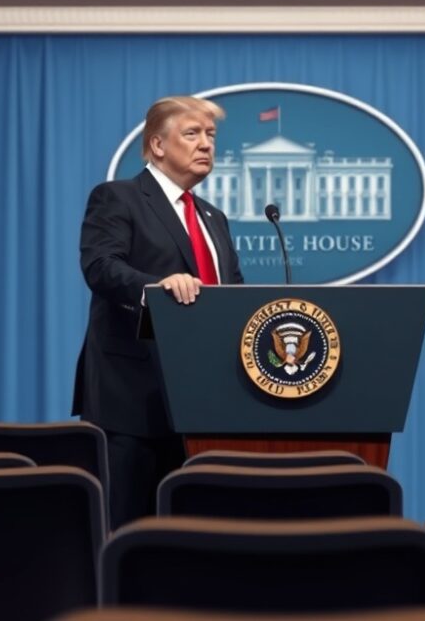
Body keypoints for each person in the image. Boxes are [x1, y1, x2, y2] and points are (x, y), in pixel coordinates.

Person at [73, 95, 244, 528]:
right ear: (158, 145)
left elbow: (233, 294)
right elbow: (101, 266)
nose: (206, 144)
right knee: (127, 533)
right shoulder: (119, 197)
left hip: (203, 405)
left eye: (210, 135)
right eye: (192, 134)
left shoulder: (213, 217)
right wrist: (156, 287)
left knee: (190, 534)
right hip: (133, 400)